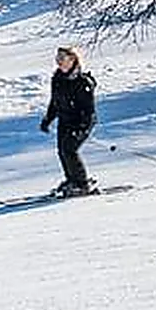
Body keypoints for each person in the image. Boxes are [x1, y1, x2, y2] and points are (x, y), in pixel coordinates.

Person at [41, 45, 97, 197]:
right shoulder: (58, 79)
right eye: (57, 59)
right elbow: (55, 102)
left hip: (81, 122)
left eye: (62, 59)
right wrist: (48, 119)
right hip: (65, 121)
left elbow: (89, 110)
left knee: (69, 149)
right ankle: (72, 179)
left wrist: (82, 128)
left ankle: (82, 183)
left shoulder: (82, 82)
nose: (58, 62)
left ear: (72, 59)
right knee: (62, 151)